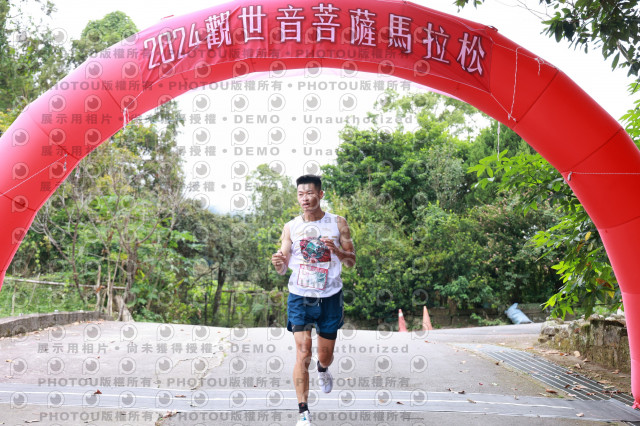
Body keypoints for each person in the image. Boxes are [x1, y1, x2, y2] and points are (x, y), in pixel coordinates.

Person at [271, 174, 356, 426]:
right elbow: (282, 266)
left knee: (325, 355)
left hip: (330, 297)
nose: (305, 199)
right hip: (300, 296)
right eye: (301, 194)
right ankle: (303, 412)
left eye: (309, 193)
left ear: (320, 194)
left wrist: (337, 251)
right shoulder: (291, 227)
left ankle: (323, 368)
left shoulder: (338, 223)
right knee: (303, 351)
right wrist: (278, 262)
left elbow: (351, 261)